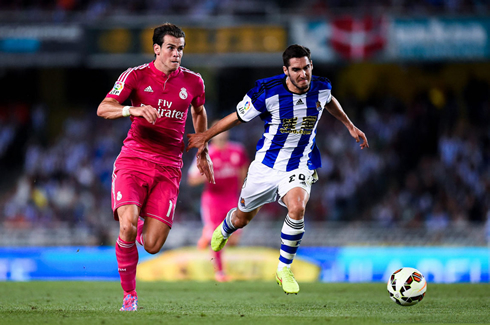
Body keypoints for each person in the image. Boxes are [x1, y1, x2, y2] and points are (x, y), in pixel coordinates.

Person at [187, 44, 369, 294]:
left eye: (306, 68)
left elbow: (329, 101)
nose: (303, 74)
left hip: (300, 164)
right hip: (265, 167)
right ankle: (226, 228)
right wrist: (206, 136)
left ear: (311, 66)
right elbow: (236, 117)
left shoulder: (322, 87)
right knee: (242, 218)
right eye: (296, 69)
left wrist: (350, 125)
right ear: (286, 70)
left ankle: (284, 269)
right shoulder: (268, 93)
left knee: (297, 206)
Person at [97, 23, 214, 311]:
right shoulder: (135, 76)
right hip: (134, 160)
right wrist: (131, 109)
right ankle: (130, 296)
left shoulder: (193, 82)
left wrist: (203, 147)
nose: (177, 54)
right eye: (172, 48)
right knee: (126, 226)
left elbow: (199, 111)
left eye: (181, 49)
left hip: (169, 167)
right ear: (157, 49)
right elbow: (104, 107)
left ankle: (137, 223)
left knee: (151, 245)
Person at [187, 128, 249, 282]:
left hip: (232, 199)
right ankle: (220, 272)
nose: (221, 138)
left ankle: (207, 233)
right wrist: (207, 174)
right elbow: (191, 180)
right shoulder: (205, 154)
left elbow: (244, 175)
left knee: (233, 240)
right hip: (213, 201)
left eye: (223, 135)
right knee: (218, 236)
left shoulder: (238, 151)